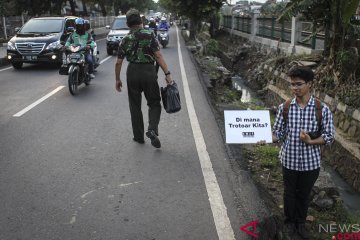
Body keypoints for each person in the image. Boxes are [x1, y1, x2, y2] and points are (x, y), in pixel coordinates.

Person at [261, 66, 335, 239]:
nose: (295, 88)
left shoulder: (321, 109)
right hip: (289, 160)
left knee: (304, 194)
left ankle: (300, 223)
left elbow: (329, 136)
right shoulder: (285, 108)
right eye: (292, 84)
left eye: (299, 84)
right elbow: (277, 133)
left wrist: (311, 141)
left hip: (311, 163)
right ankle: (289, 222)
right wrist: (263, 137)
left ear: (310, 84)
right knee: (289, 193)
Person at [115, 8, 172, 148]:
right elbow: (158, 56)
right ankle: (152, 129)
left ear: (128, 24)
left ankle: (139, 137)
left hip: (132, 72)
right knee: (154, 102)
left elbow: (118, 62)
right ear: (141, 22)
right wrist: (167, 74)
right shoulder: (150, 35)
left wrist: (118, 79)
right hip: (148, 71)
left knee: (134, 105)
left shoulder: (125, 39)